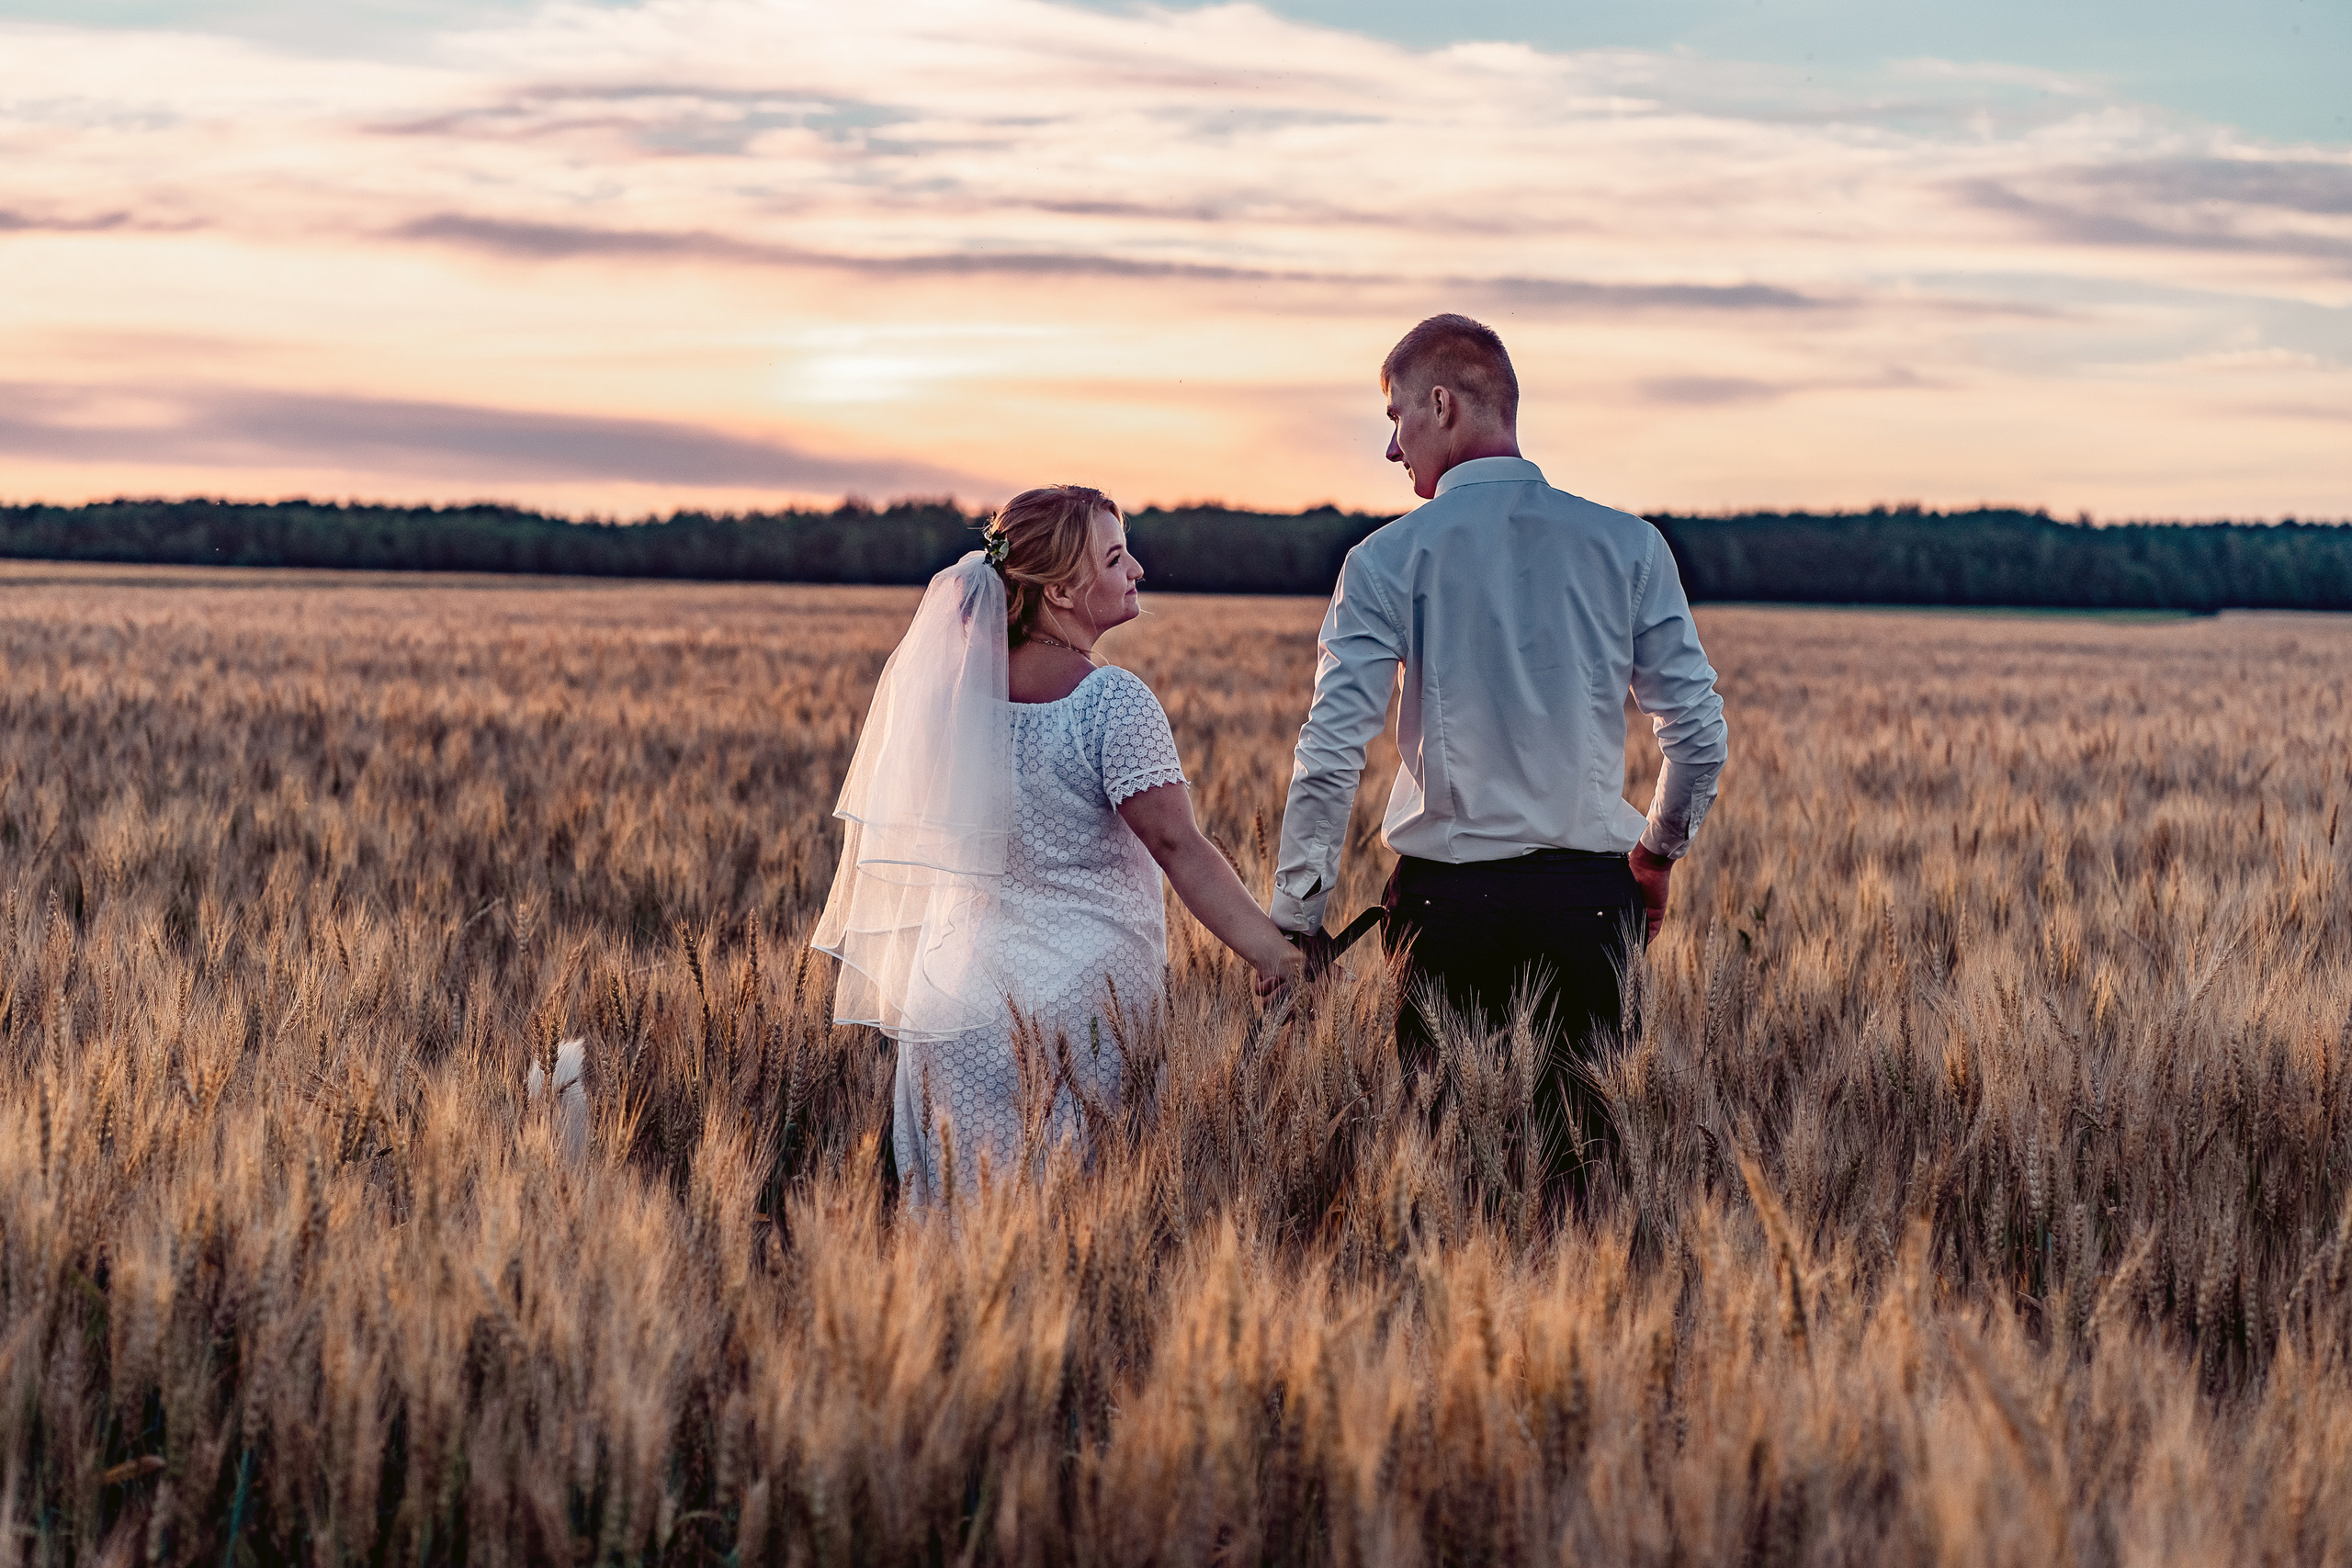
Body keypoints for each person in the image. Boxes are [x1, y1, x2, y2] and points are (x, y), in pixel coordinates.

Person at [1270, 314, 1728, 1195]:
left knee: (1447, 1191)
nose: (1393, 449)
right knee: (1584, 1191)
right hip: (1591, 906)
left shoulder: (1383, 560)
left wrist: (1298, 914)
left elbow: (1331, 752)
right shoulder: (1630, 545)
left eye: (1397, 417)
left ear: (1441, 405)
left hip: (1448, 914)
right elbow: (1698, 735)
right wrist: (1657, 852)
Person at [814, 484, 1304, 1205]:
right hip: (1080, 1020)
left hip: (952, 1009)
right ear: (1063, 590)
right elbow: (1177, 844)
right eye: (1114, 557)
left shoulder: (955, 700)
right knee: (1076, 1231)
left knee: (960, 1241)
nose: (1136, 568)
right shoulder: (1110, 701)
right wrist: (1278, 953)